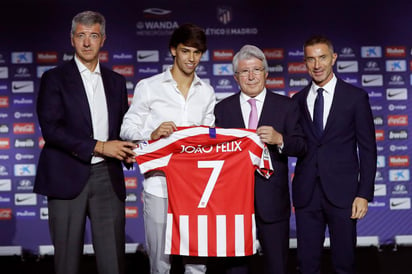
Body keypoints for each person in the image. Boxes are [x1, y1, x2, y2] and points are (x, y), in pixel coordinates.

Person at [34, 10, 136, 274]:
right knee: (67, 263)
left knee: (113, 262)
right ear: (72, 39)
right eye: (81, 36)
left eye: (93, 36)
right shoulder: (53, 78)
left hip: (107, 178)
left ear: (103, 39)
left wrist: (131, 148)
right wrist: (100, 146)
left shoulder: (116, 81)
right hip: (66, 177)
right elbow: (52, 130)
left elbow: (122, 129)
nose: (87, 42)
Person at [120, 23, 215, 274]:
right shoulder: (149, 86)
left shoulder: (207, 92)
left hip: (196, 188)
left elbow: (209, 138)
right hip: (158, 185)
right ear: (173, 50)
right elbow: (127, 128)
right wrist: (150, 134)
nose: (191, 58)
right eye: (186, 51)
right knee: (160, 263)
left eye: (197, 52)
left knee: (196, 262)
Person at [214, 44, 307, 274]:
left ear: (266, 73)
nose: (251, 76)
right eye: (245, 71)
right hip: (234, 204)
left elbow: (302, 145)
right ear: (236, 77)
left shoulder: (286, 106)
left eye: (257, 69)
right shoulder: (222, 109)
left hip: (273, 204)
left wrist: (280, 139)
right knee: (235, 270)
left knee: (277, 268)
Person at [291, 35, 377, 274]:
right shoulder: (297, 101)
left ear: (334, 58)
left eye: (322, 58)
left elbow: (368, 149)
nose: (317, 65)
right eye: (311, 59)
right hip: (307, 194)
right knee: (307, 265)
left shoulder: (355, 97)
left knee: (344, 264)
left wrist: (363, 194)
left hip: (344, 195)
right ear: (305, 63)